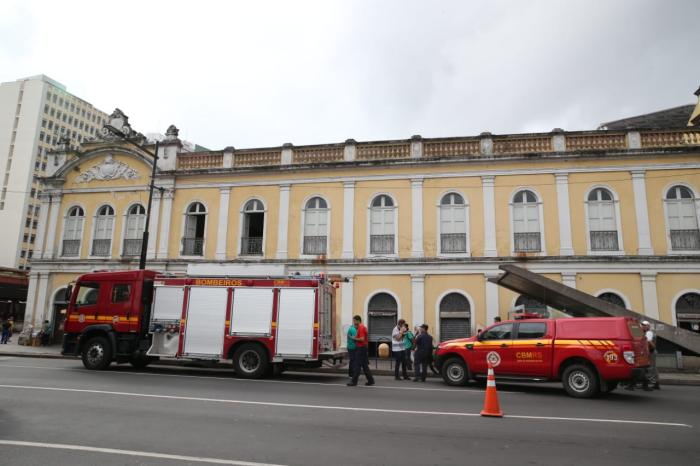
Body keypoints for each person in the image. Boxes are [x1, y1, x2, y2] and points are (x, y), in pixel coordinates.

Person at [347, 315, 375, 387]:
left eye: (354, 321)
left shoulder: (361, 327)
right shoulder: (362, 327)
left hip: (361, 348)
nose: (353, 322)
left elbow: (362, 339)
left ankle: (354, 382)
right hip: (363, 348)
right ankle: (370, 380)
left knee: (357, 365)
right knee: (365, 366)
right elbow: (364, 338)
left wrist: (353, 338)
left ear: (357, 320)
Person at [642, 320, 660, 390]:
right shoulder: (646, 333)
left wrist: (648, 341)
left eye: (645, 325)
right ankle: (656, 383)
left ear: (648, 326)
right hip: (650, 352)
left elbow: (652, 345)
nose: (643, 327)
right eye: (643, 325)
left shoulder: (650, 333)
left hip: (651, 352)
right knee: (653, 368)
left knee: (651, 368)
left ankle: (648, 384)